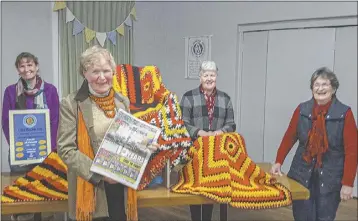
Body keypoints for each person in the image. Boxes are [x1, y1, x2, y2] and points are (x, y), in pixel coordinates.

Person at [57, 45, 158, 221]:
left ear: (113, 72)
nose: (102, 77)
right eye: (95, 71)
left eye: (106, 70)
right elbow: (66, 149)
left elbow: (128, 140)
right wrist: (100, 174)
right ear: (85, 74)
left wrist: (145, 147)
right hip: (91, 187)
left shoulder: (122, 102)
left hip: (121, 186)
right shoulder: (71, 104)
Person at [270, 67, 357, 221]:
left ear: (334, 88)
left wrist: (348, 183)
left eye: (325, 84)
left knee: (324, 218)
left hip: (330, 179)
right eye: (316, 84)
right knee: (302, 217)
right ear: (312, 88)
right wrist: (278, 161)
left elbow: (352, 151)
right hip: (301, 174)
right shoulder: (302, 109)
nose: (320, 88)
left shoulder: (345, 114)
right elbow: (289, 137)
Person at [1, 52, 60, 221]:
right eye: (22, 65)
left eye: (30, 64)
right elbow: (6, 121)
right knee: (22, 191)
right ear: (18, 70)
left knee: (45, 191)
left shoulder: (50, 90)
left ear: (37, 66)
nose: (26, 69)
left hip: (45, 151)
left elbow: (55, 120)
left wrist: (50, 148)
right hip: (21, 153)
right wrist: (17, 145)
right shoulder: (11, 91)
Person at [180, 60, 236, 221]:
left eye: (212, 75)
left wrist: (219, 132)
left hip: (217, 153)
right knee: (196, 190)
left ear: (216, 76)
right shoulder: (188, 97)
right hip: (195, 152)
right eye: (206, 75)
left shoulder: (225, 99)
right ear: (200, 77)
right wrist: (200, 132)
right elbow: (182, 123)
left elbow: (231, 124)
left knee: (211, 188)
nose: (209, 78)